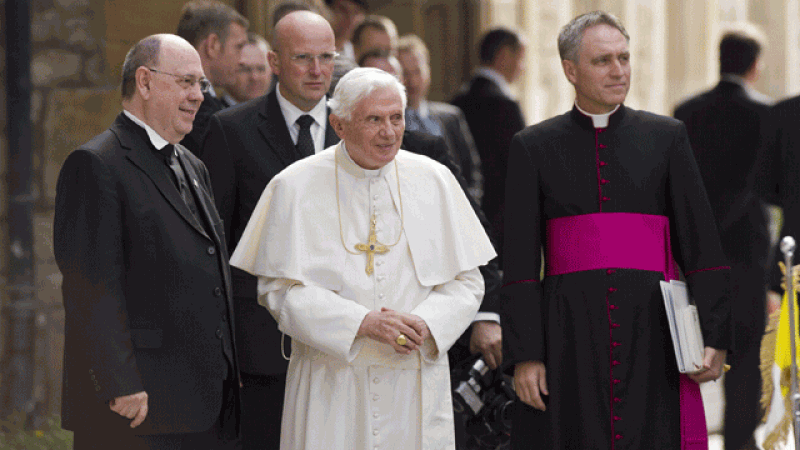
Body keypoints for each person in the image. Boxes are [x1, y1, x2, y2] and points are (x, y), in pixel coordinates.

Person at [230, 67, 496, 450]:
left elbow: (468, 281)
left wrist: (426, 323)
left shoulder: (435, 179)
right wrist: (362, 323)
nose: (389, 132)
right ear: (338, 125)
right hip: (333, 379)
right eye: (374, 119)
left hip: (414, 377)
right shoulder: (294, 185)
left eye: (396, 118)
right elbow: (279, 290)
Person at [503, 11, 731, 450]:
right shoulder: (532, 146)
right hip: (568, 332)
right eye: (603, 60)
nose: (619, 70)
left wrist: (716, 335)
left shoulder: (667, 137)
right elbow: (519, 261)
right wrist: (526, 354)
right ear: (570, 70)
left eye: (624, 58)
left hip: (653, 332)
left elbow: (700, 242)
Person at [54, 34, 240, 450]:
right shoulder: (97, 164)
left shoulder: (191, 164)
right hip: (137, 411)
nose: (198, 96)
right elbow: (90, 288)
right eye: (187, 82)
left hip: (203, 407)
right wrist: (119, 384)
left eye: (202, 86)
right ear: (144, 81)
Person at [199, 10, 340, 449]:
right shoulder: (229, 130)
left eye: (326, 58)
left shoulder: (356, 124)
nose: (317, 71)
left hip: (344, 335)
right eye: (303, 58)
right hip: (262, 345)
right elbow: (216, 243)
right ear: (275, 62)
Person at [673, 24, 774, 450]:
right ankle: (739, 440)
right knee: (747, 354)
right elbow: (767, 187)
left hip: (697, 250)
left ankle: (686, 432)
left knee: (690, 349)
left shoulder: (687, 110)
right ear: (754, 65)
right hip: (748, 252)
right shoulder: (766, 113)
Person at [451, 27, 526, 262]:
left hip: (462, 216)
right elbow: (520, 169)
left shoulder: (457, 101)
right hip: (501, 221)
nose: (523, 68)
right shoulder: (505, 106)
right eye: (521, 59)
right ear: (504, 56)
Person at [398, 34, 483, 203]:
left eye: (417, 71)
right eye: (405, 73)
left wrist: (469, 206)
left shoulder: (451, 117)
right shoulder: (390, 125)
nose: (413, 81)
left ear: (428, 71)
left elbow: (471, 171)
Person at [176, 0, 248, 155]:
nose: (243, 60)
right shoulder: (199, 113)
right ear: (212, 45)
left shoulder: (170, 94)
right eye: (238, 47)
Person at [223, 32, 272, 106]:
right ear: (227, 71)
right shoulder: (211, 115)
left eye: (261, 69)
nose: (254, 77)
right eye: (245, 70)